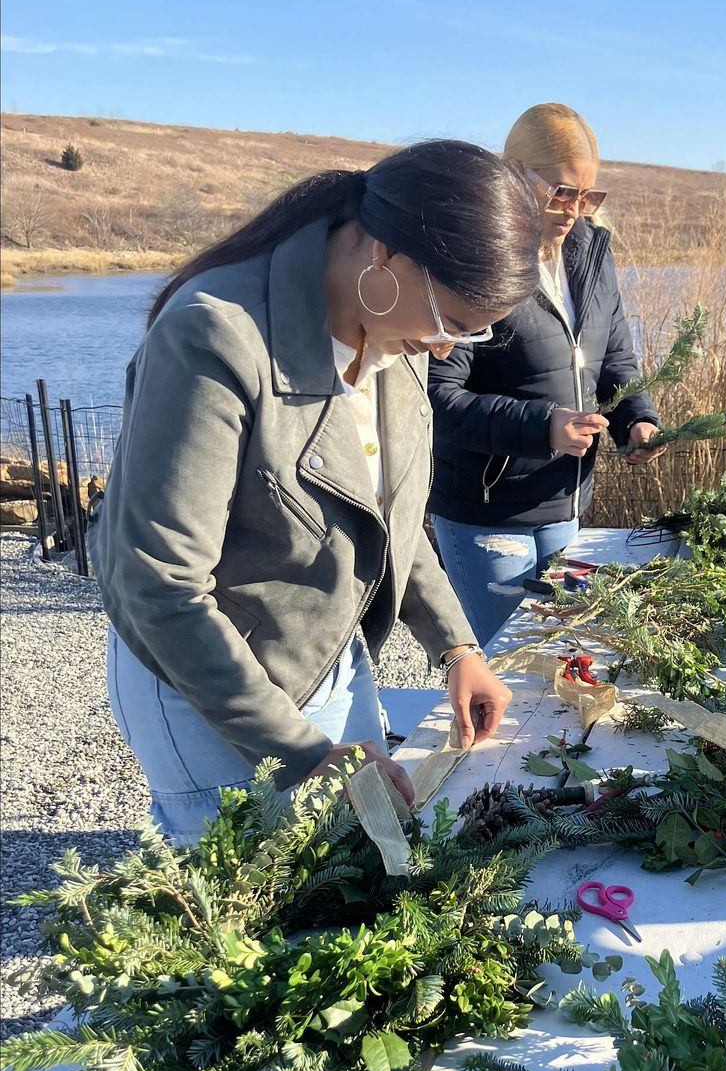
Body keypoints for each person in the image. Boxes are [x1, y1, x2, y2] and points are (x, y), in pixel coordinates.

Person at [93, 141, 539, 846]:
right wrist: (303, 756)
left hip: (328, 657)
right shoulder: (216, 336)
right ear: (386, 260)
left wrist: (458, 648)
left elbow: (386, 519)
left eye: (472, 329)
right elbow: (160, 585)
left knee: (368, 853)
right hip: (203, 685)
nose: (451, 347)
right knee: (261, 918)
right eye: (452, 320)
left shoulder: (394, 333)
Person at [427, 103, 660, 644]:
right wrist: (544, 426)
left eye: (588, 195)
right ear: (512, 174)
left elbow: (616, 358)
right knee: (509, 665)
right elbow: (439, 397)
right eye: (560, 192)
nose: (575, 209)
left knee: (561, 656)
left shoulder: (592, 254)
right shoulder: (477, 259)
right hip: (487, 513)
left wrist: (636, 419)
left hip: (565, 503)